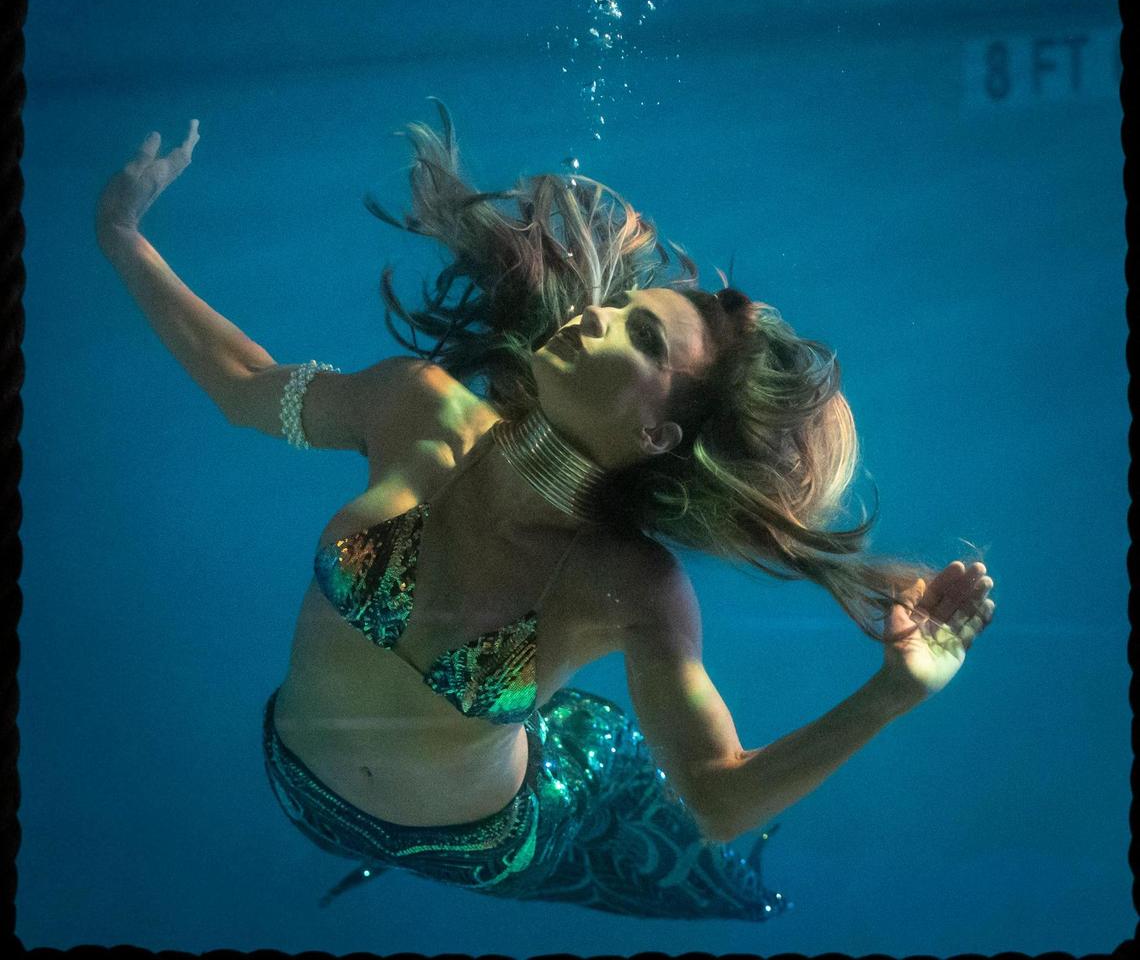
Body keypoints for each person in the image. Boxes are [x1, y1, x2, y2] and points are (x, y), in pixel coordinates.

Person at [94, 102, 995, 921]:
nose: (598, 318)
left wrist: (891, 695)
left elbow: (718, 800)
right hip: (297, 784)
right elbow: (244, 386)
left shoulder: (634, 586)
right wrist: (122, 235)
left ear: (658, 435)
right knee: (594, 748)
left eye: (639, 338)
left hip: (495, 844)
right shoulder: (416, 412)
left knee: (724, 886)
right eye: (625, 308)